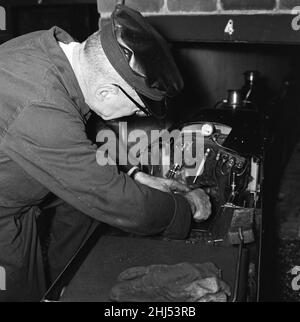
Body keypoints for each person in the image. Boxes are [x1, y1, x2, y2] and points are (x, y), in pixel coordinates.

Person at [0, 4, 211, 301]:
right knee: (20, 292)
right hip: (4, 211)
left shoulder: (63, 58)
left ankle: (67, 283)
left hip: (20, 173)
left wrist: (136, 174)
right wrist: (183, 209)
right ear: (107, 93)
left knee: (80, 207)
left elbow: (90, 130)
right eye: (137, 108)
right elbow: (114, 198)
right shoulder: (42, 107)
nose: (135, 115)